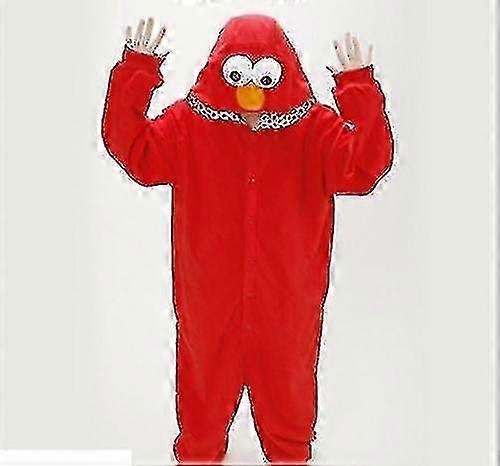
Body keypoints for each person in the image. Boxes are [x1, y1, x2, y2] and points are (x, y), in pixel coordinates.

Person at [102, 14, 393, 464]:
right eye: (238, 76)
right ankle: (200, 451)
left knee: (289, 383)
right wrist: (136, 73)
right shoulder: (190, 126)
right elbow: (134, 148)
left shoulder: (313, 131)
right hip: (208, 299)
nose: (251, 93)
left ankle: (289, 453)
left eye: (265, 78)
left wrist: (358, 91)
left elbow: (365, 165)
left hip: (288, 301)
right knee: (202, 385)